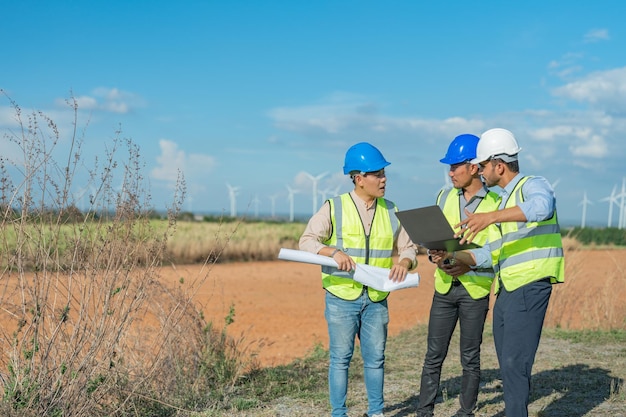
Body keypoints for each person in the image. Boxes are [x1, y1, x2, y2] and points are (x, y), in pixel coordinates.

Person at [431, 128, 565, 417]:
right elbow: (492, 251)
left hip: (529, 286)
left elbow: (543, 207)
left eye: (483, 165)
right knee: (508, 364)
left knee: (516, 363)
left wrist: (490, 216)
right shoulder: (505, 201)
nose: (479, 170)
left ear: (499, 165)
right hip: (507, 290)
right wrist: (454, 255)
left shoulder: (532, 185)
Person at [299, 142, 418, 417]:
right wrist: (332, 252)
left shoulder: (391, 209)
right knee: (340, 360)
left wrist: (404, 261)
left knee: (376, 360)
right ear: (359, 178)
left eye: (384, 173)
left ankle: (376, 412)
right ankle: (339, 414)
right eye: (377, 174)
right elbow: (306, 241)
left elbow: (409, 247)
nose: (384, 179)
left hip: (377, 298)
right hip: (341, 297)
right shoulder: (334, 207)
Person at [416, 134, 499, 417]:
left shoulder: (497, 203)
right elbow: (434, 240)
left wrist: (470, 264)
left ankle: (466, 412)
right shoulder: (444, 196)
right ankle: (424, 411)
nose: (450, 172)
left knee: (470, 358)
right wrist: (433, 255)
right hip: (444, 287)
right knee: (433, 356)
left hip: (475, 290)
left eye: (455, 166)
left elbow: (498, 252)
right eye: (449, 167)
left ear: (474, 167)